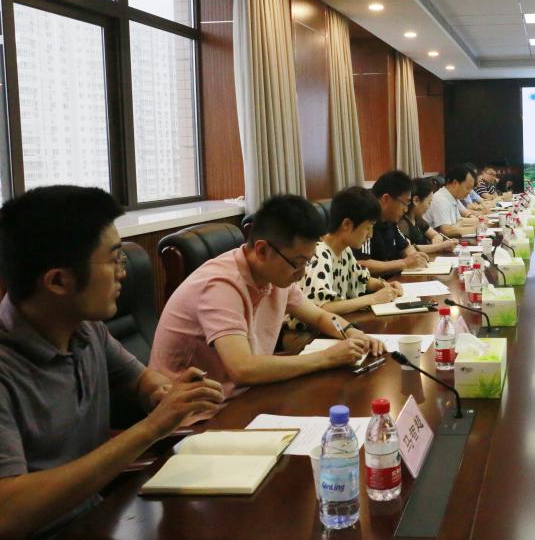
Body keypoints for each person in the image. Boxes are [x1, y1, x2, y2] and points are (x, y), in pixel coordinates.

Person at [0, 186, 225, 538]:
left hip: (97, 518)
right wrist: (152, 428)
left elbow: (141, 380)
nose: (123, 272)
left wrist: (161, 393)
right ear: (58, 281)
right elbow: (9, 512)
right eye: (113, 260)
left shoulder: (86, 330)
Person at [150, 195, 384, 400]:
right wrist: (327, 358)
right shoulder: (220, 285)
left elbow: (320, 316)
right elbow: (242, 369)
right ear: (262, 250)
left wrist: (353, 333)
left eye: (307, 262)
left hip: (244, 394)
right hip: (197, 414)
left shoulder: (276, 275)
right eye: (297, 263)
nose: (302, 273)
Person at [300, 187, 404, 314]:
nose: (370, 235)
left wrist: (384, 285)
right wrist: (373, 299)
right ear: (346, 224)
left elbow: (361, 279)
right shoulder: (319, 254)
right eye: (368, 228)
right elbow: (321, 308)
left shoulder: (345, 251)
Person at [355, 170, 430, 277]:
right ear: (386, 199)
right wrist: (404, 263)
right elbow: (360, 264)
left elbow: (405, 247)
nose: (406, 209)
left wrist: (416, 258)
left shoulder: (390, 220)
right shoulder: (365, 219)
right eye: (404, 203)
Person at [399, 178, 459, 254]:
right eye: (429, 203)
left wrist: (437, 245)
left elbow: (436, 235)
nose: (429, 207)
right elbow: (408, 249)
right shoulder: (402, 223)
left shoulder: (417, 219)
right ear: (416, 200)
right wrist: (440, 246)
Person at [424, 164, 479, 237]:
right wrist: (476, 229)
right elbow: (447, 231)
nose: (469, 192)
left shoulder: (452, 197)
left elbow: (459, 222)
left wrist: (479, 222)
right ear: (455, 183)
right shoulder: (441, 200)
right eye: (468, 187)